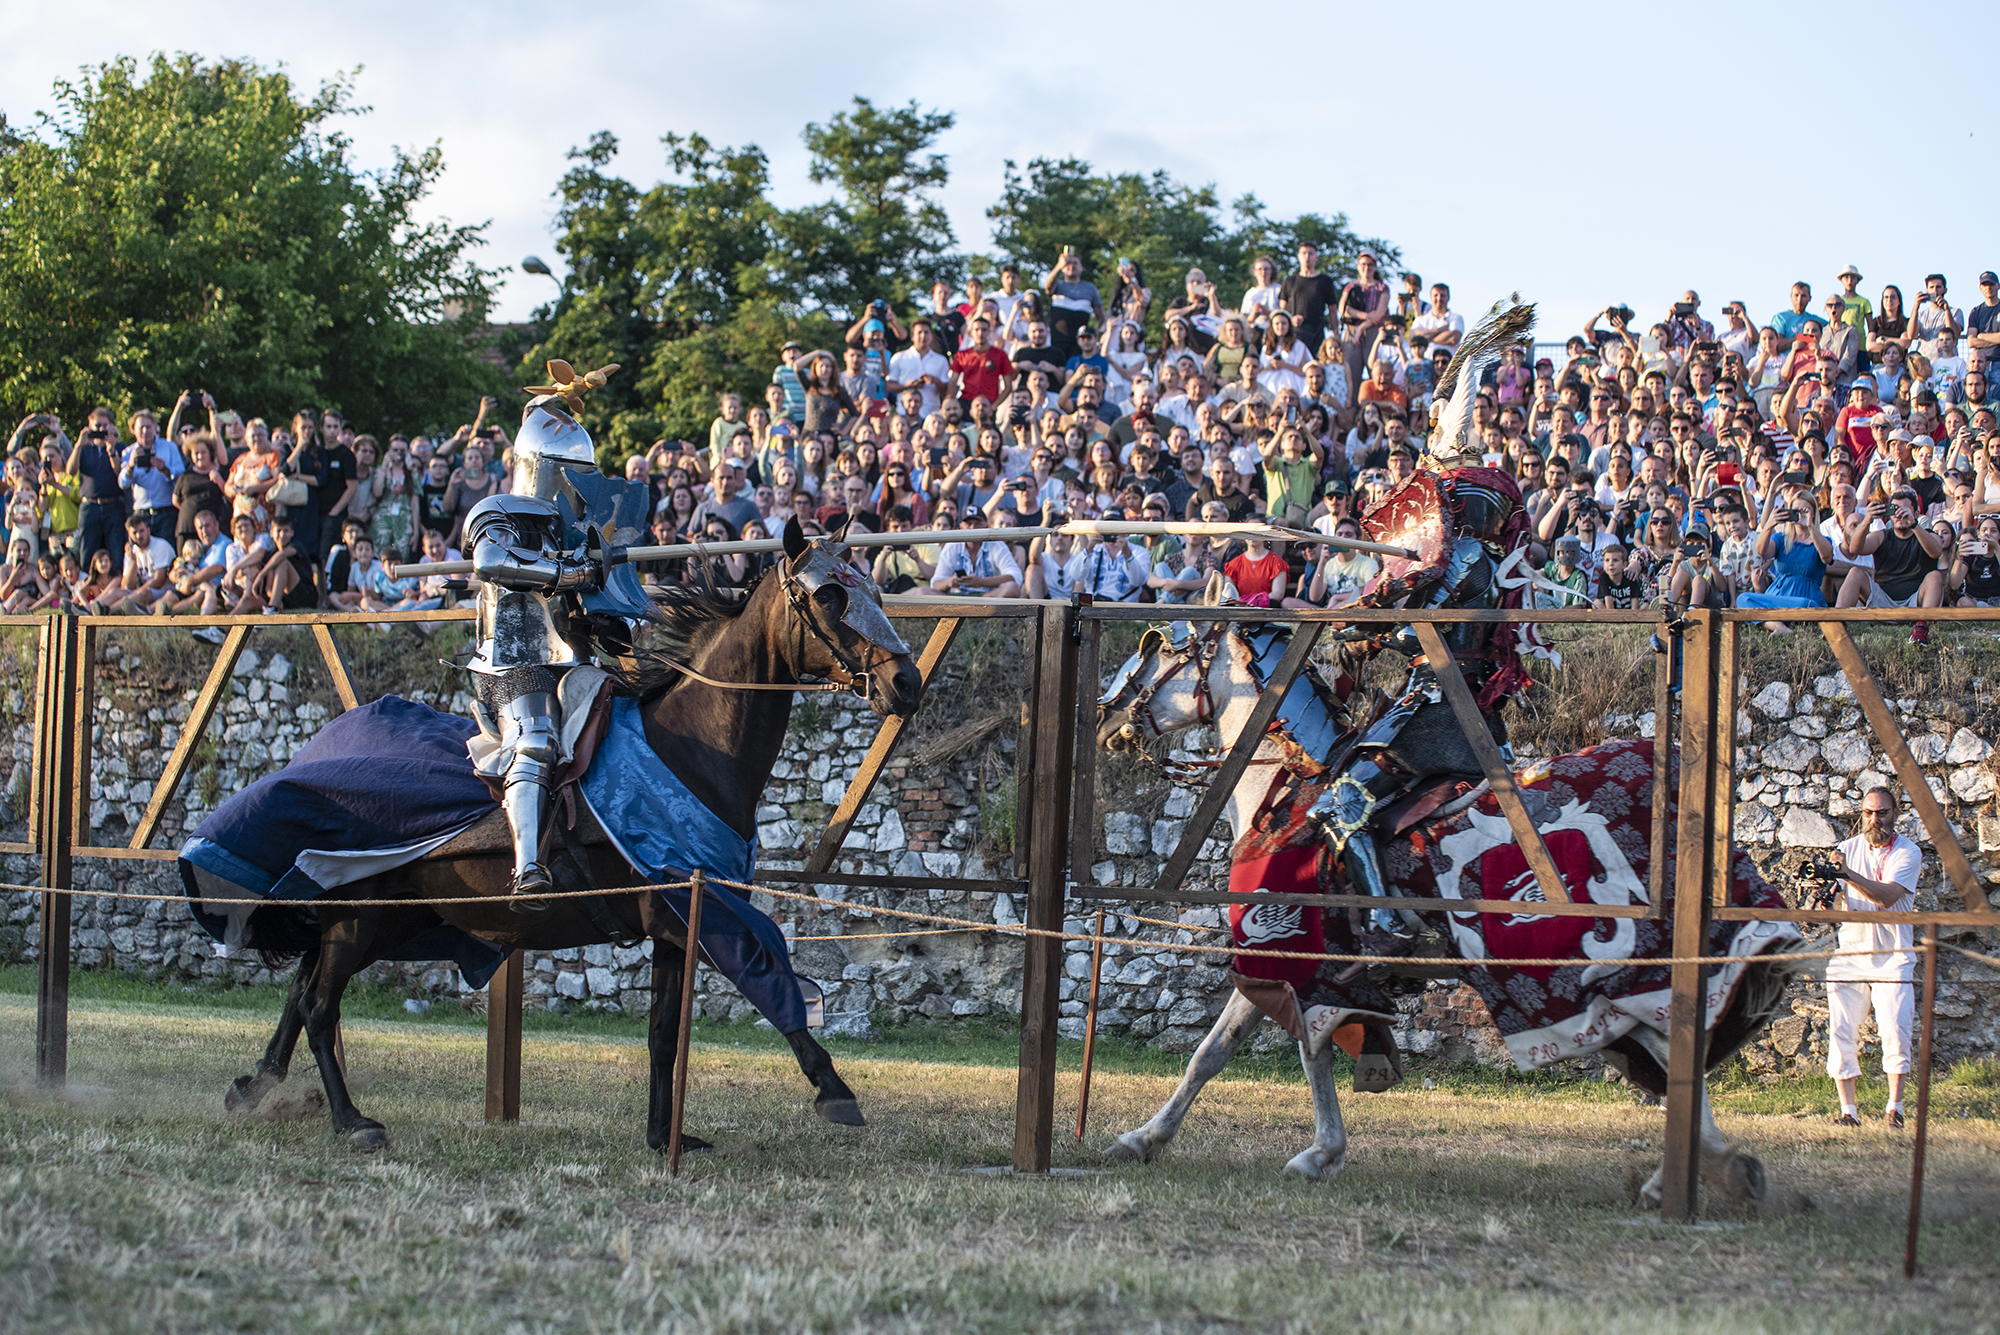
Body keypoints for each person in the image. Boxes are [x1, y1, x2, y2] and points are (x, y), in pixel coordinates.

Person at [464, 363, 653, 897]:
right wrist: (567, 571)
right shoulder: (497, 509)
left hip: (574, 657)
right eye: (564, 468)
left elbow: (604, 593)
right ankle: (527, 869)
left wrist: (612, 594)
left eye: (581, 470)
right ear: (539, 465)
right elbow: (491, 560)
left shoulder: (582, 525)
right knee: (537, 743)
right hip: (516, 659)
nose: (571, 482)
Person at [1818, 786, 1921, 1129]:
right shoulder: (1845, 850)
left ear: (1896, 813)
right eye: (1868, 813)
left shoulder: (1908, 852)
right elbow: (1832, 912)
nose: (1874, 820)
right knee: (1842, 1031)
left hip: (1894, 955)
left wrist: (1847, 874)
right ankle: (1849, 1112)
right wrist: (1825, 895)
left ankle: (1896, 1108)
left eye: (1881, 813)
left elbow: (1887, 897)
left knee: (1895, 1029)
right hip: (1851, 952)